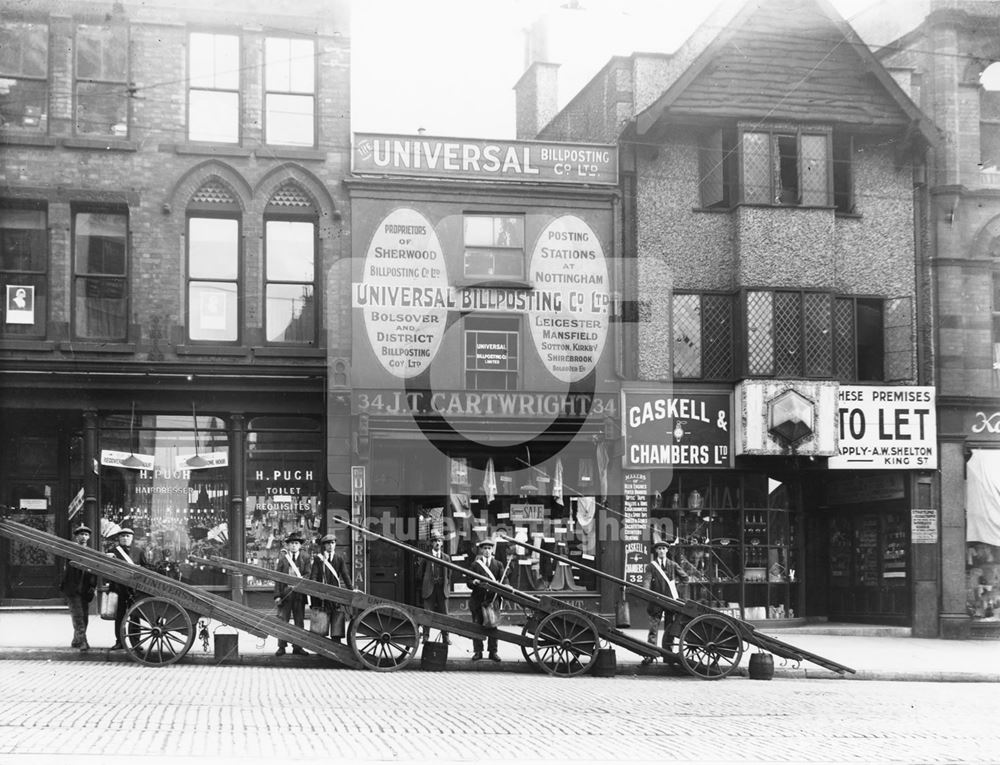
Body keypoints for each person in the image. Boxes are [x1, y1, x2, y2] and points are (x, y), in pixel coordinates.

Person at [640, 539, 689, 664]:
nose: (661, 551)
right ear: (656, 551)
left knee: (669, 629)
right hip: (656, 601)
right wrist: (647, 591)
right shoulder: (651, 566)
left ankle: (668, 655)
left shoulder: (672, 565)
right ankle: (650, 653)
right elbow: (646, 580)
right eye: (659, 549)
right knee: (653, 629)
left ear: (667, 550)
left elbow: (685, 578)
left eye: (664, 549)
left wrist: (676, 591)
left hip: (670, 601)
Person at [107, 527, 150, 650]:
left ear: (132, 538)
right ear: (119, 539)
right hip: (119, 588)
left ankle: (136, 643)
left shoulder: (139, 551)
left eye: (128, 536)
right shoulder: (113, 551)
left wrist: (139, 568)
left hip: (134, 590)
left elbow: (146, 568)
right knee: (119, 617)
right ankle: (119, 642)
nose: (125, 538)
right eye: (122, 536)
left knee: (135, 617)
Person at [308, 533, 353, 642]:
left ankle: (336, 645)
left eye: (332, 543)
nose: (330, 546)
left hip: (335, 596)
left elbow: (345, 575)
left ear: (335, 544)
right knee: (320, 628)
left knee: (337, 624)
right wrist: (317, 592)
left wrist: (351, 589)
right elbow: (313, 576)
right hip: (321, 597)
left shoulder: (339, 558)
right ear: (324, 546)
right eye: (328, 544)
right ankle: (322, 650)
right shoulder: (318, 559)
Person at [60, 524, 98, 651]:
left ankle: (77, 640)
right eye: (81, 534)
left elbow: (94, 571)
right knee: (78, 616)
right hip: (73, 589)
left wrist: (93, 586)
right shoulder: (71, 550)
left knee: (84, 616)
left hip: (85, 589)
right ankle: (83, 642)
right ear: (76, 537)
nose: (83, 537)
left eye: (86, 535)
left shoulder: (91, 553)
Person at [467, 537, 504, 662]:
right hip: (478, 600)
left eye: (489, 548)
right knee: (477, 626)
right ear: (481, 550)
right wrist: (474, 582)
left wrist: (502, 584)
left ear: (492, 550)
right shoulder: (475, 565)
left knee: (493, 627)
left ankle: (493, 652)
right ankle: (478, 652)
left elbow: (505, 581)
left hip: (492, 601)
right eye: (485, 548)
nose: (487, 551)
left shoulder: (498, 565)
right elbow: (468, 581)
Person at [274, 530, 310, 656]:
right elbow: (277, 578)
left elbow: (308, 575)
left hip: (299, 595)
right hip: (285, 595)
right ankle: (281, 647)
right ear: (287, 546)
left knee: (299, 622)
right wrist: (277, 595)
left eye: (296, 543)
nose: (294, 545)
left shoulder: (305, 557)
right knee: (283, 621)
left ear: (300, 545)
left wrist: (299, 585)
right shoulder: (283, 559)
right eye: (291, 543)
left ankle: (298, 647)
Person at [416, 532, 451, 644]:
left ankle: (446, 637)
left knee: (444, 614)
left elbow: (449, 574)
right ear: (432, 543)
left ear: (442, 543)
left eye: (439, 541)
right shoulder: (426, 556)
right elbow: (419, 574)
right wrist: (426, 583)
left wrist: (445, 584)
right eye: (435, 541)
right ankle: (426, 637)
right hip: (429, 589)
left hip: (442, 589)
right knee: (427, 613)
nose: (437, 543)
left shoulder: (446, 557)